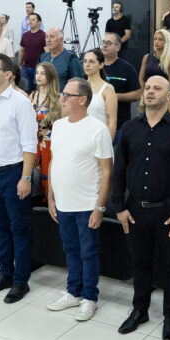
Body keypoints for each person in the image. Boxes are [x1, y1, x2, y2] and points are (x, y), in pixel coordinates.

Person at [112, 75, 170, 340]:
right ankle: (140, 310)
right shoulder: (129, 128)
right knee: (139, 263)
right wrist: (119, 206)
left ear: (168, 95)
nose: (150, 92)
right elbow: (119, 170)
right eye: (147, 88)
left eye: (157, 88)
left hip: (168, 212)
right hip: (135, 209)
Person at [46, 78, 114, 321]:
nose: (61, 98)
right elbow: (54, 162)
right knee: (70, 249)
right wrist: (50, 197)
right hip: (63, 202)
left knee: (88, 252)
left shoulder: (98, 129)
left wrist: (99, 207)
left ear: (82, 100)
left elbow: (107, 171)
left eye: (67, 95)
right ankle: (73, 292)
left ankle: (89, 297)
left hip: (87, 204)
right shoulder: (58, 126)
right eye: (62, 94)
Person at [0, 53, 38, 304]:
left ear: (8, 74)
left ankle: (21, 280)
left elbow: (30, 144)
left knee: (18, 229)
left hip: (13, 173)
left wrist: (26, 177)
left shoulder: (20, 102)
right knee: (0, 227)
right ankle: (5, 273)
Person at [100, 32, 141, 141]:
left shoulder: (127, 68)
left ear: (118, 47)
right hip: (97, 124)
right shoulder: (95, 66)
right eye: (103, 42)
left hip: (119, 126)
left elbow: (137, 94)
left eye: (109, 43)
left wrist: (113, 96)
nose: (104, 45)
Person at [30, 62, 62, 196]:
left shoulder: (58, 99)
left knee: (49, 178)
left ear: (50, 76)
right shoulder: (32, 96)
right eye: (37, 73)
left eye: (43, 73)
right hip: (33, 143)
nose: (38, 76)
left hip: (50, 144)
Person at [82, 49, 117, 139]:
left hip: (99, 138)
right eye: (85, 61)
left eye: (91, 62)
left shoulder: (107, 89)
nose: (87, 65)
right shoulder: (79, 87)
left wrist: (108, 143)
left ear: (101, 65)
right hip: (80, 138)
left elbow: (111, 122)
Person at [19, 13, 46, 89]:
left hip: (38, 69)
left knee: (37, 89)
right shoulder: (25, 35)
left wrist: (44, 67)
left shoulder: (43, 35)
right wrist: (19, 65)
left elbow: (47, 53)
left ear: (39, 22)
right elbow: (21, 51)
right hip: (25, 68)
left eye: (33, 20)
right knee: (25, 89)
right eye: (29, 20)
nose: (30, 21)